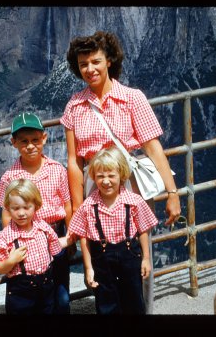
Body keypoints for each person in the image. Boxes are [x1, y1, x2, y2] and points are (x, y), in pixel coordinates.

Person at [60, 30, 181, 221]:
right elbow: (74, 161)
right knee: (100, 247)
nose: (90, 69)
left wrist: (172, 193)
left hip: (130, 184)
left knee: (135, 246)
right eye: (83, 64)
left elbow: (152, 147)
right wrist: (77, 208)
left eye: (96, 62)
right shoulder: (74, 106)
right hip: (95, 187)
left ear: (108, 61)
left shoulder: (132, 98)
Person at [0, 112, 73, 314]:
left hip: (56, 234)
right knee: (29, 292)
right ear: (14, 143)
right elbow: (5, 213)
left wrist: (70, 237)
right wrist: (11, 242)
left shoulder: (57, 170)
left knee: (61, 295)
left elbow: (67, 205)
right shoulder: (9, 177)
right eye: (24, 141)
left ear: (44, 138)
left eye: (35, 140)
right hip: (25, 238)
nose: (30, 146)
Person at [68, 146, 157, 314]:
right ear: (94, 177)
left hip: (130, 256)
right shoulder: (88, 206)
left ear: (122, 175)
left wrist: (146, 258)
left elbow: (143, 230)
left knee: (134, 300)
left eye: (111, 175)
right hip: (102, 259)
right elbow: (84, 237)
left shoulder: (134, 201)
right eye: (100, 176)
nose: (106, 181)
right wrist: (88, 268)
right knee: (106, 302)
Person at [0, 178, 73, 315]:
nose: (21, 213)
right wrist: (11, 261)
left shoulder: (44, 228)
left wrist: (70, 239)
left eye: (26, 207)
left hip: (46, 286)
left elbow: (55, 247)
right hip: (20, 293)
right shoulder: (4, 237)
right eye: (16, 208)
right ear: (8, 208)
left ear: (36, 206)